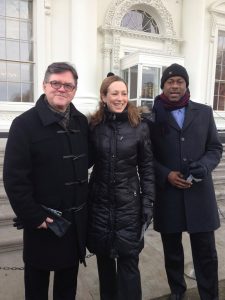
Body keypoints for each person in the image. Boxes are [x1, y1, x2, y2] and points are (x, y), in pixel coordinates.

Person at [3, 62, 89, 300]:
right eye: (56, 83)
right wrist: (33, 215)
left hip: (72, 224)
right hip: (44, 222)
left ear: (74, 89)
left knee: (67, 288)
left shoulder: (81, 123)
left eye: (68, 85)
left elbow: (85, 161)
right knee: (37, 288)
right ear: (44, 85)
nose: (62, 89)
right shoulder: (24, 124)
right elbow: (14, 178)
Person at [150, 63, 223, 300]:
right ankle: (177, 294)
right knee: (172, 254)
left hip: (199, 194)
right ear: (163, 85)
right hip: (168, 196)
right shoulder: (150, 116)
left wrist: (203, 166)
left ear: (186, 85)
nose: (175, 85)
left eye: (179, 81)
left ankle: (209, 295)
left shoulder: (203, 112)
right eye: (170, 82)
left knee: (206, 254)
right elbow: (145, 156)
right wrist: (165, 174)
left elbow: (214, 147)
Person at [87, 75, 155, 300]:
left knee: (129, 269)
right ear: (103, 97)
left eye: (124, 93)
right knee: (105, 269)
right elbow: (84, 161)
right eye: (114, 93)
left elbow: (146, 168)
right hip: (100, 207)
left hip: (129, 208)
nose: (120, 98)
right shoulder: (94, 126)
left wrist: (148, 202)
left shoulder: (140, 126)